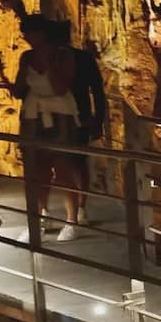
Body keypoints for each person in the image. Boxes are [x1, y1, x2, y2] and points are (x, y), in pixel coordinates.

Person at [1, 14, 81, 242]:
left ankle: (72, 221)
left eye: (29, 33)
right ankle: (40, 218)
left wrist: (48, 63)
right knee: (37, 171)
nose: (26, 38)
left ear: (42, 34)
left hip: (60, 114)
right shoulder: (27, 57)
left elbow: (61, 87)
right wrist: (2, 75)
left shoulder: (63, 55)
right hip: (33, 116)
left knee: (63, 169)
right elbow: (19, 90)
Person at [51, 20, 106, 225]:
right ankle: (79, 207)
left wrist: (98, 119)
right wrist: (98, 118)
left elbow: (97, 90)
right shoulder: (81, 58)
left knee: (76, 163)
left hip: (74, 118)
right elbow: (98, 91)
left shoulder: (79, 58)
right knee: (73, 163)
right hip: (68, 117)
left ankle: (78, 208)